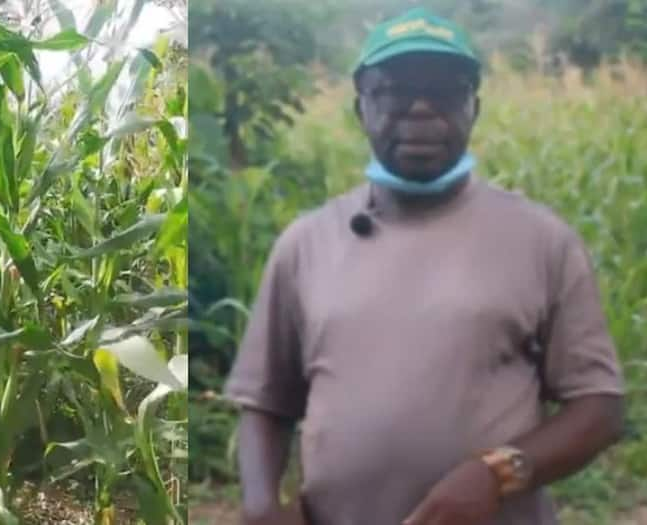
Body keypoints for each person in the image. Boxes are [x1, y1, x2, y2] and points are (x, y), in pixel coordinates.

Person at [223, 7, 626, 525]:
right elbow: (265, 402)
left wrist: (497, 473)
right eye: (393, 91)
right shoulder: (306, 244)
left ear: (473, 108)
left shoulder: (540, 239)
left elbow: (598, 409)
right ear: (361, 109)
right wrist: (260, 507)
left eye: (445, 91)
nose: (419, 110)